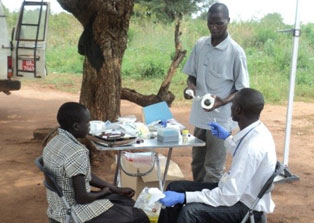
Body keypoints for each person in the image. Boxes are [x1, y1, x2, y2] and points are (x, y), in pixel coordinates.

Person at [158, 88, 277, 223]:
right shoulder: (258, 131)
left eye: (232, 105)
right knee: (175, 187)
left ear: (238, 110)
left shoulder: (252, 146)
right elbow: (242, 154)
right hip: (239, 193)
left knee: (190, 212)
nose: (230, 108)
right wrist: (226, 138)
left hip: (245, 206)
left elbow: (228, 196)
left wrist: (184, 197)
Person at [42, 102, 149, 223]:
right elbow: (82, 198)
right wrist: (103, 192)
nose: (89, 126)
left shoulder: (53, 142)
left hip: (59, 205)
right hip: (74, 211)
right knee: (139, 217)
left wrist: (114, 189)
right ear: (76, 126)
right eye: (87, 122)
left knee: (124, 200)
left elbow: (82, 174)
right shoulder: (77, 152)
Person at [183, 2, 249, 183]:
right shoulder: (200, 45)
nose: (214, 27)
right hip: (200, 117)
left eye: (219, 23)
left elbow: (242, 89)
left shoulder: (235, 52)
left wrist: (222, 101)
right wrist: (190, 87)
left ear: (228, 21)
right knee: (197, 162)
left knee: (213, 167)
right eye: (210, 23)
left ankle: (208, 208)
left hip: (220, 120)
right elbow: (192, 76)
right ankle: (196, 199)